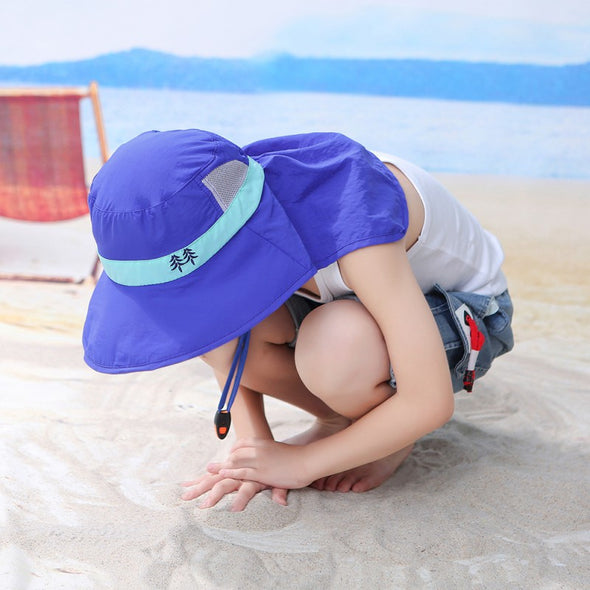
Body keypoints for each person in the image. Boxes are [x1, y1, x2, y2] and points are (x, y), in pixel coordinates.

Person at [83, 129, 514, 512]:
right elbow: (212, 326)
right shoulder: (227, 201)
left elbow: (430, 401)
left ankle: (392, 438)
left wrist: (302, 464)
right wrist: (256, 449)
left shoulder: (352, 213)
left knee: (334, 345)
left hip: (466, 317)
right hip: (344, 300)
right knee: (209, 327)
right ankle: (340, 421)